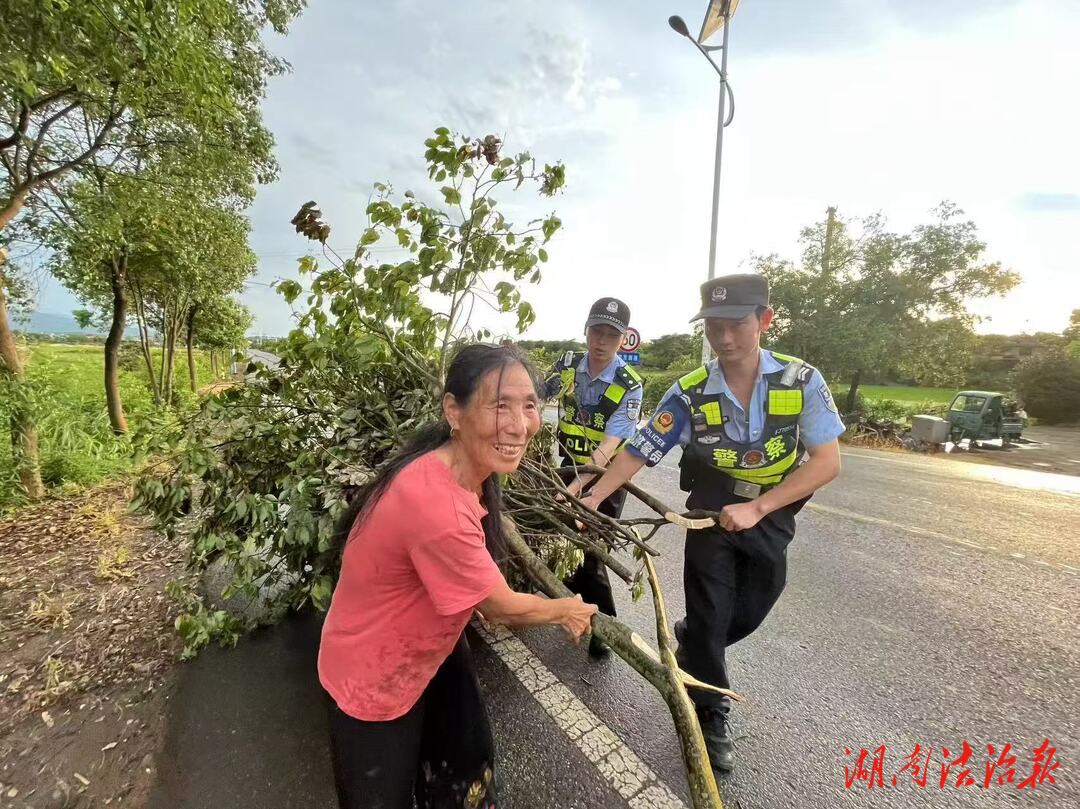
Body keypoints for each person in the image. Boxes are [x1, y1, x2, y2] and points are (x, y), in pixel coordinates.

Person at [578, 274, 844, 774]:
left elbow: (826, 462)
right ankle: (712, 711)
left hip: (772, 510)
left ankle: (694, 637)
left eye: (737, 324)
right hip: (710, 511)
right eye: (715, 326)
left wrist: (761, 508)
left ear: (764, 321)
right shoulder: (689, 391)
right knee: (712, 606)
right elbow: (642, 449)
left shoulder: (800, 380)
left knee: (748, 611)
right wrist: (594, 495)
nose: (724, 338)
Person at [319, 344, 597, 809]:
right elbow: (500, 606)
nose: (518, 424)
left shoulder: (465, 464)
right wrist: (566, 608)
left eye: (529, 405)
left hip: (427, 648)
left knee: (463, 762)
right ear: (454, 410)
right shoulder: (436, 503)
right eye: (499, 405)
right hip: (373, 674)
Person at [544, 297, 643, 656]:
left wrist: (574, 490)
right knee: (564, 541)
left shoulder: (629, 384)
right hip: (565, 466)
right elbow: (537, 397)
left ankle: (605, 628)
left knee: (591, 551)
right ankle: (576, 611)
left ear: (623, 339)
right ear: (586, 331)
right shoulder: (567, 364)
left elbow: (609, 446)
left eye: (611, 335)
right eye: (596, 331)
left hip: (605, 479)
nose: (601, 341)